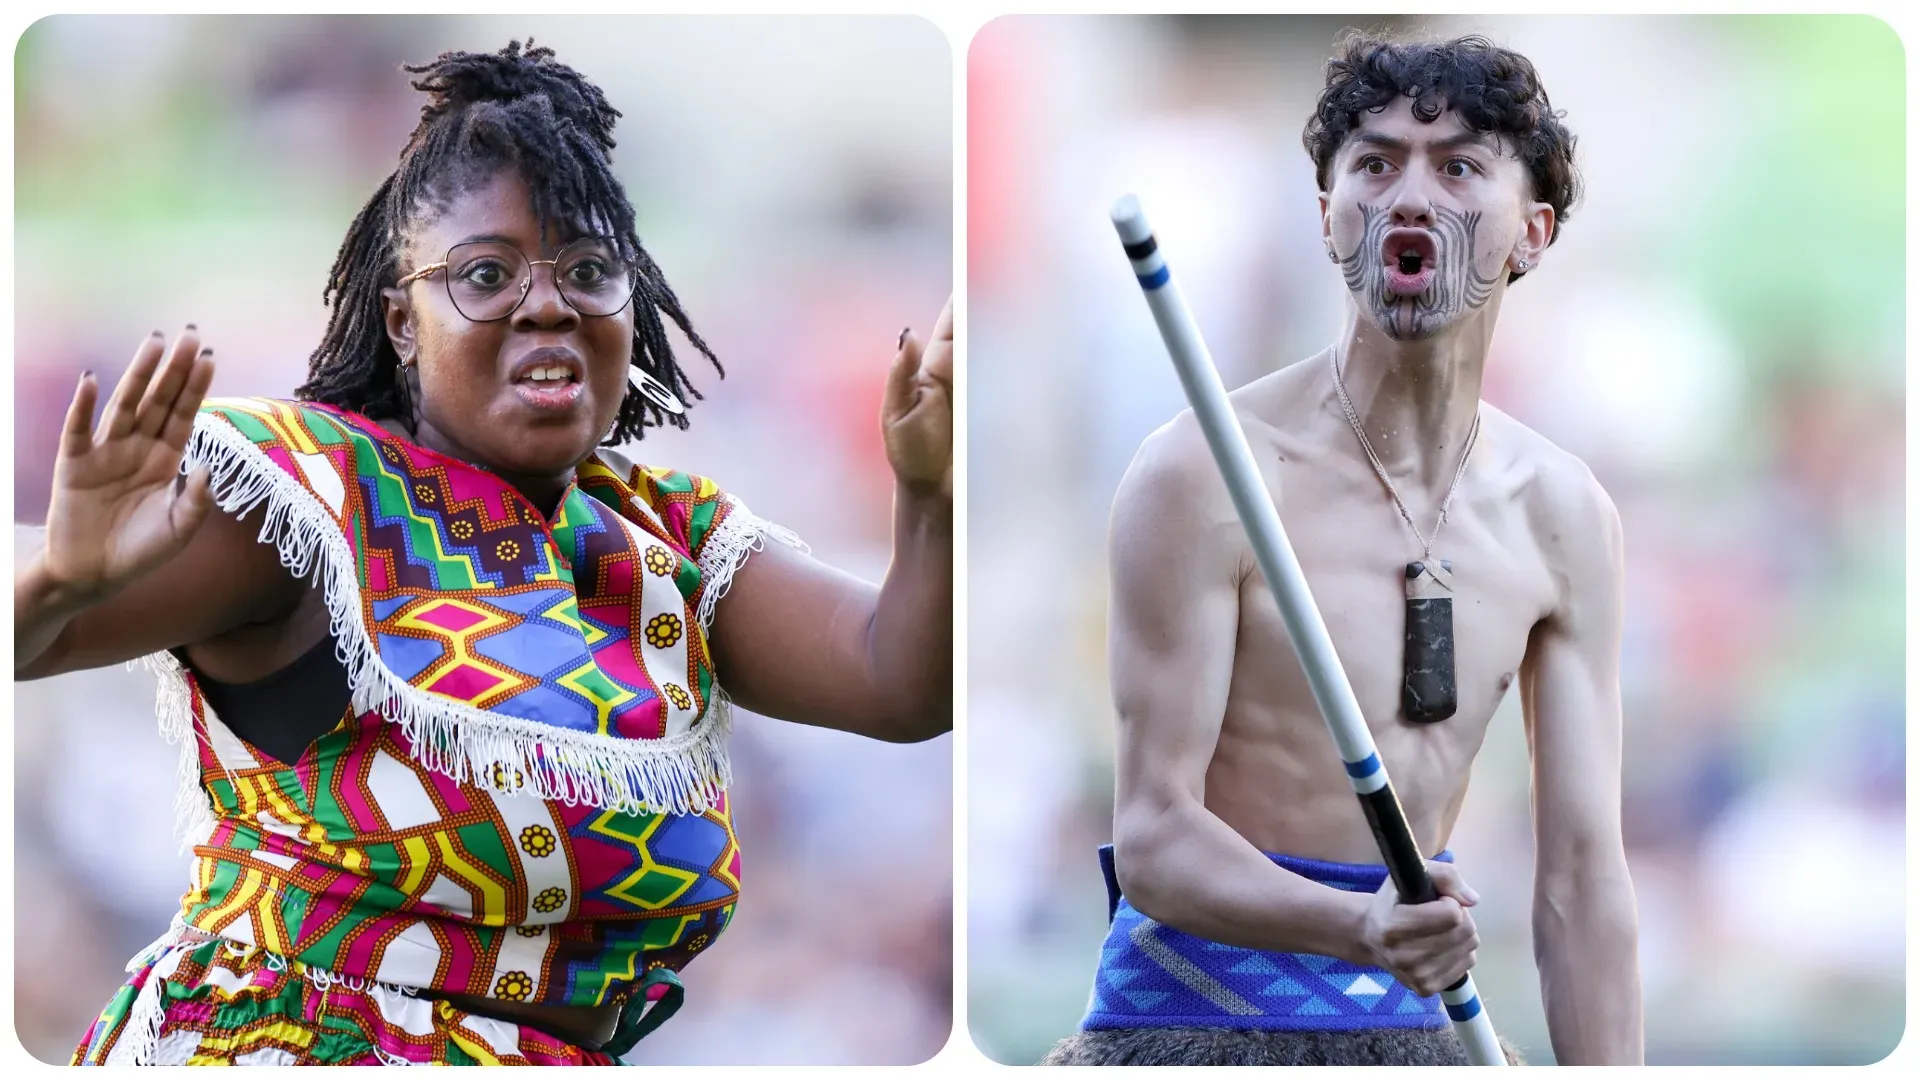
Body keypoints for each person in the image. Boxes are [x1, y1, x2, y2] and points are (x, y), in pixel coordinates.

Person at [16, 41, 952, 1066]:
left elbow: (900, 679)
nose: (546, 303)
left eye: (589, 271)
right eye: (485, 274)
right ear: (401, 322)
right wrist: (58, 581)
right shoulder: (312, 501)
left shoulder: (666, 541)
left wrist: (931, 495)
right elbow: (37, 634)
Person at [1043, 33, 1640, 1066]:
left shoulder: (1564, 514)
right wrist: (1360, 926)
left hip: (1416, 1037)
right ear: (1328, 214)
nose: (1410, 195)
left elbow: (1583, 879)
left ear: (1531, 232)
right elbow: (1153, 839)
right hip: (1189, 1028)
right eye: (1375, 163)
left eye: (1458, 166)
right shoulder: (1205, 474)